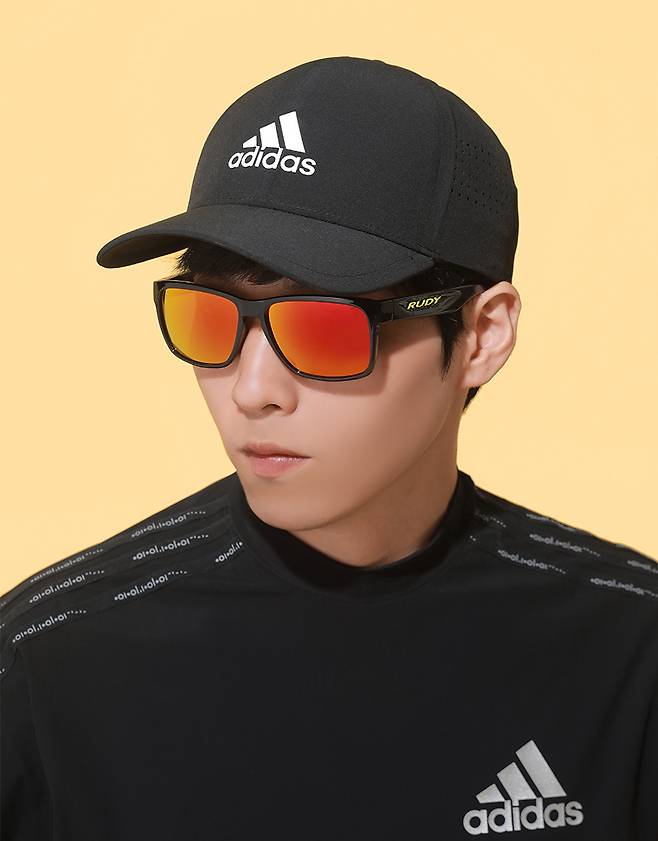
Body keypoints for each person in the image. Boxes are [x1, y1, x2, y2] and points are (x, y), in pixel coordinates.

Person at [1, 56, 656, 841]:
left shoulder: (630, 650)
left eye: (323, 328)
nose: (252, 390)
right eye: (209, 318)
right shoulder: (49, 662)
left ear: (482, 335)